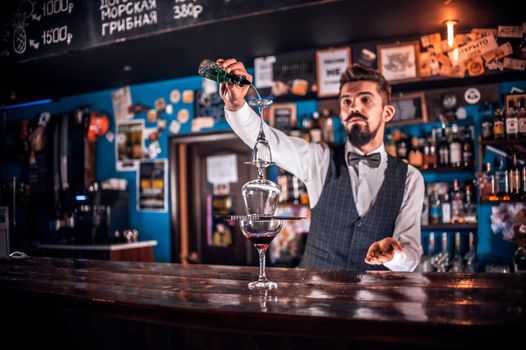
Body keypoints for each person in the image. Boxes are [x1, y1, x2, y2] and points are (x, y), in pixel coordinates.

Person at [217, 58, 424, 271]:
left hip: (376, 300)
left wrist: (394, 256)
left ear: (387, 113)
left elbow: (411, 258)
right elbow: (270, 143)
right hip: (315, 297)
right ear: (341, 114)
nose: (354, 107)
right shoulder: (320, 158)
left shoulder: (410, 178)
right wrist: (236, 106)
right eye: (346, 101)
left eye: (365, 99)